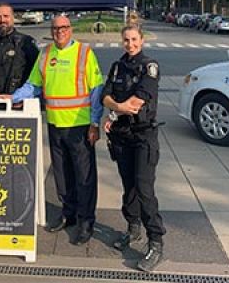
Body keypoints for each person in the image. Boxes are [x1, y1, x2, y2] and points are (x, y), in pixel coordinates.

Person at [9, 15, 104, 245]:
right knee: (62, 175)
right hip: (55, 124)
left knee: (84, 176)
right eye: (55, 28)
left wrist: (94, 123)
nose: (59, 31)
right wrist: (12, 98)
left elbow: (96, 90)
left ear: (70, 30)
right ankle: (68, 213)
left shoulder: (84, 53)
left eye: (63, 27)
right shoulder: (46, 53)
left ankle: (86, 220)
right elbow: (33, 85)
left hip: (79, 126)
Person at [101, 23, 166, 272]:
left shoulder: (149, 66)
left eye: (134, 39)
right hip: (122, 136)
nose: (131, 44)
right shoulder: (118, 66)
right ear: (122, 42)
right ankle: (133, 228)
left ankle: (156, 241)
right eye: (126, 40)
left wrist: (115, 109)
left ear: (142, 40)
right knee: (128, 186)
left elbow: (137, 102)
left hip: (143, 136)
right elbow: (105, 95)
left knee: (143, 187)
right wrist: (116, 109)